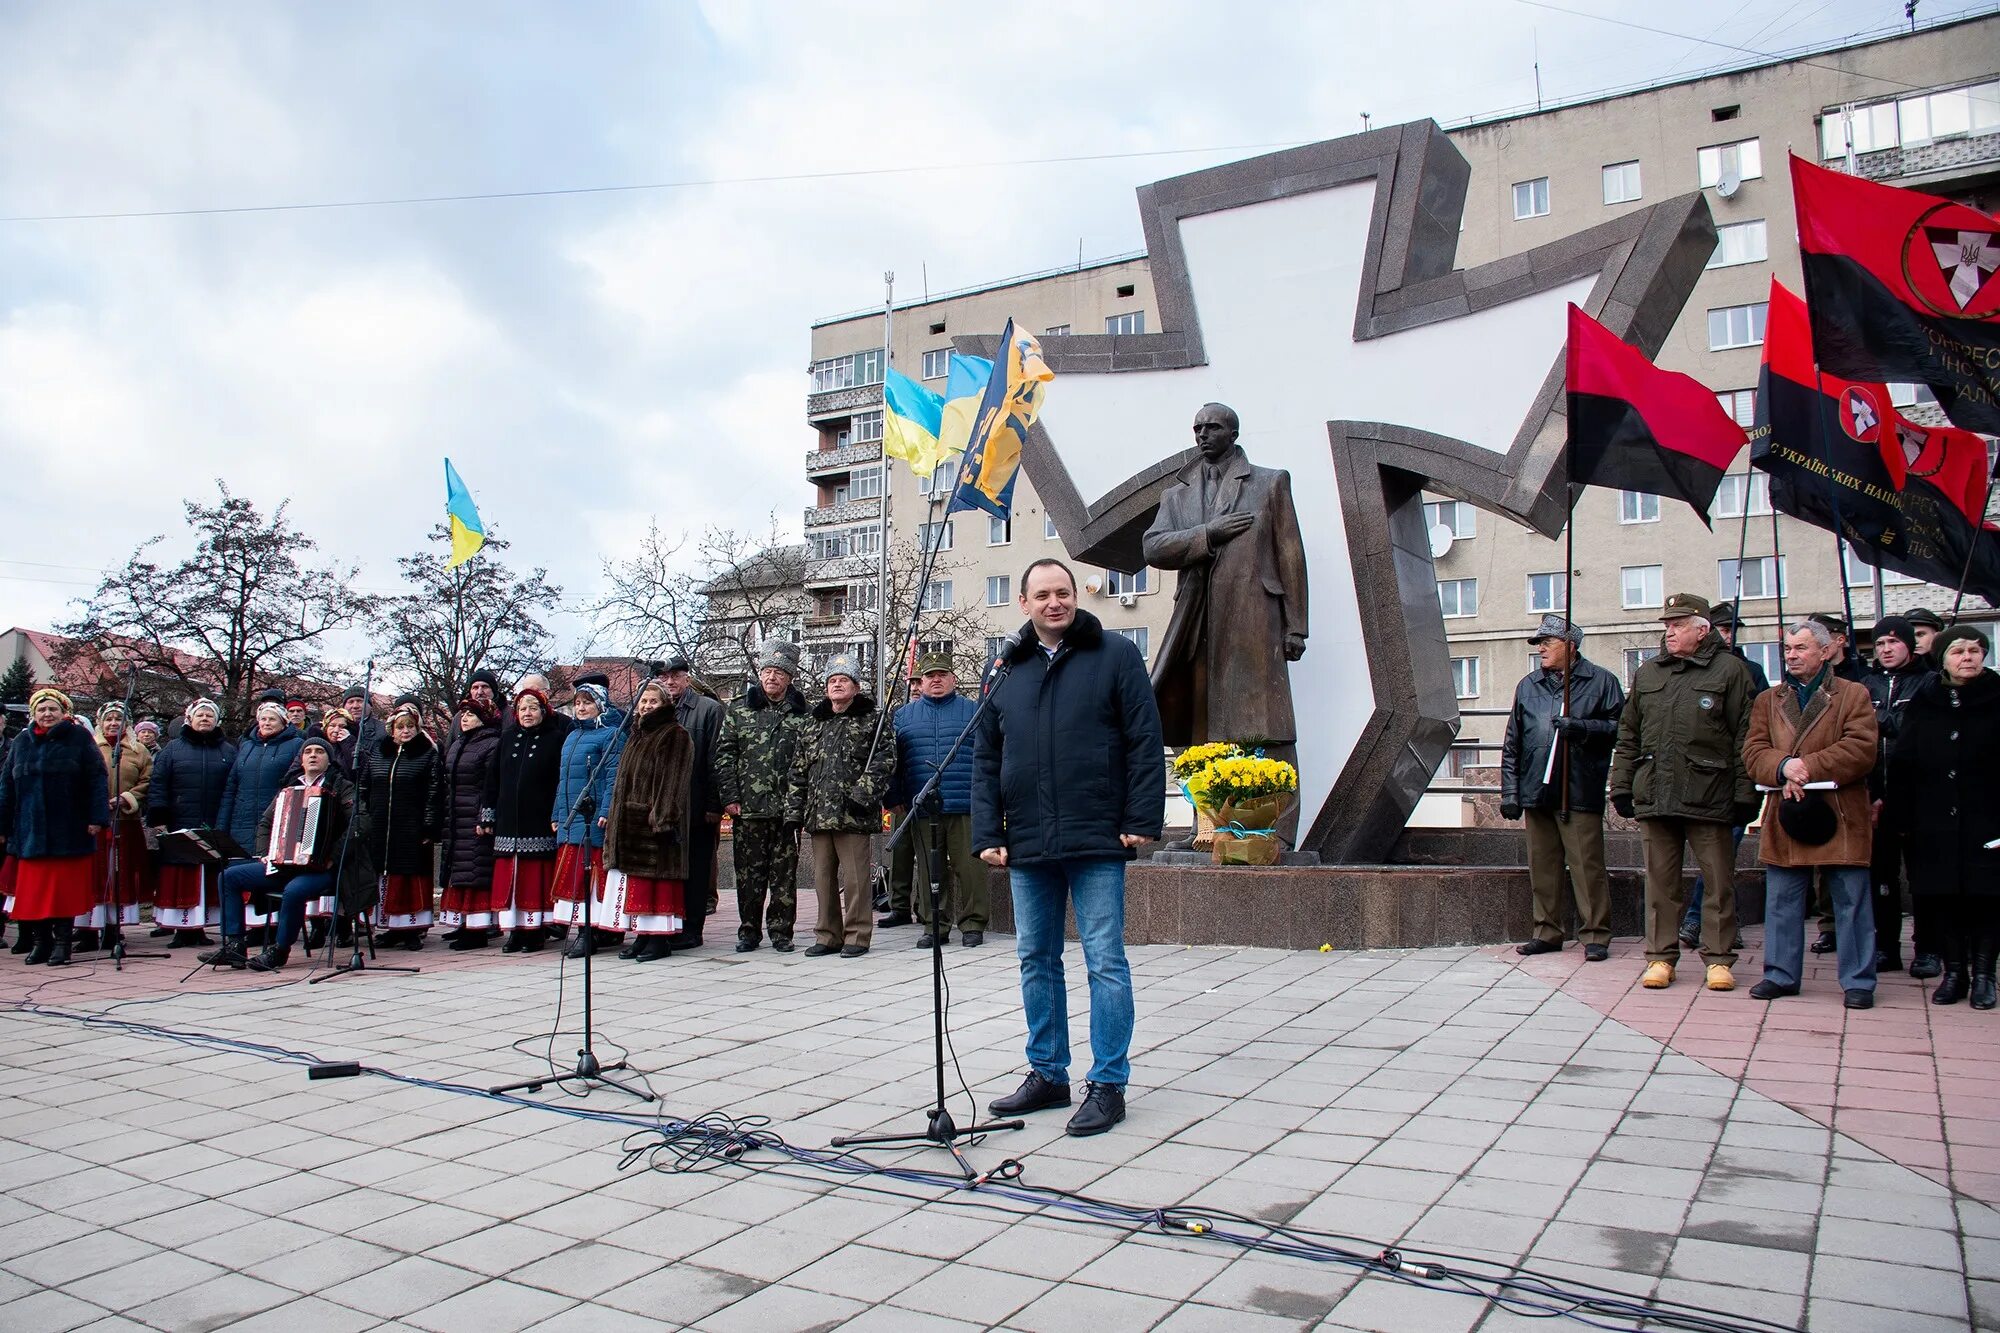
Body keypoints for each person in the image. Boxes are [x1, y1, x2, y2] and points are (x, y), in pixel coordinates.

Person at [975, 559, 1165, 1137]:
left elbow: (1143, 738)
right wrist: (988, 832)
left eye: (1062, 592)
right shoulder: (1005, 668)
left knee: (1105, 961)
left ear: (1076, 597)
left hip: (1097, 835)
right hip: (1027, 841)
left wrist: (1141, 818)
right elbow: (985, 756)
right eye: (1041, 595)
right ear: (1025, 604)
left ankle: (1108, 1082)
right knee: (1037, 959)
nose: (1053, 602)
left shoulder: (1115, 654)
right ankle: (1048, 1074)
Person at [1141, 402, 1308, 846]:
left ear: (1233, 432)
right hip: (1197, 622)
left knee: (1265, 724)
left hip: (1253, 620)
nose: (1202, 434)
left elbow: (1290, 554)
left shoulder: (1270, 483)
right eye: (1197, 428)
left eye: (1211, 427)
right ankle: (1207, 829)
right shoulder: (1178, 495)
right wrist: (1207, 534)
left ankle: (1275, 832)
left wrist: (1296, 626)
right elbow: (1154, 547)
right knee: (1199, 728)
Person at [1609, 594, 1757, 992]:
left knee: (1718, 880)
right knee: (1660, 883)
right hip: (1656, 792)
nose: (1669, 631)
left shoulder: (1730, 670)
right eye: (1667, 625)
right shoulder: (1649, 673)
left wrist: (1745, 792)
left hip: (1710, 793)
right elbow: (1629, 734)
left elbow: (1745, 735)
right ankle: (1660, 957)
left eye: (1677, 624)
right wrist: (1621, 785)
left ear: (1702, 629)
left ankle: (1719, 959)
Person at [1744, 620, 1881, 1009]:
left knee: (1850, 900)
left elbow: (1861, 748)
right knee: (1782, 899)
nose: (1792, 655)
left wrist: (1806, 766)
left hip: (1839, 811)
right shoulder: (1768, 700)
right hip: (1788, 809)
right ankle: (1780, 974)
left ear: (1824, 651)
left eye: (1801, 648)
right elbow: (1753, 752)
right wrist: (1783, 765)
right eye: (1788, 649)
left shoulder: (1852, 694)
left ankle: (1858, 980)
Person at [1886, 625, 2000, 1008]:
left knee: (1987, 898)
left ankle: (1984, 974)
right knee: (1944, 898)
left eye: (1975, 650)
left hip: (1987, 818)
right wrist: (1902, 817)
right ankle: (1954, 974)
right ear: (1943, 658)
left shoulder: (1996, 695)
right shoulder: (1927, 699)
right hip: (1934, 819)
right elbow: (1904, 761)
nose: (1967, 657)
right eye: (1958, 651)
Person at [1500, 615, 1624, 961]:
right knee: (1543, 866)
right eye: (1539, 643)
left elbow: (1621, 728)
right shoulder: (1529, 686)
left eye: (1547, 642)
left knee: (1587, 865)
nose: (1540, 648)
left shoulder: (1601, 682)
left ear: (1570, 646)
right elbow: (1513, 743)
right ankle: (1547, 931)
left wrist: (1583, 728)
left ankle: (1596, 934)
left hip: (1578, 788)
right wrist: (1510, 793)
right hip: (1536, 790)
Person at [205, 736, 360, 972]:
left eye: (320, 751)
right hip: (285, 864)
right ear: (301, 758)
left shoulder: (341, 787)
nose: (313, 755)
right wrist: (265, 853)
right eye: (308, 751)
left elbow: (359, 826)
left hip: (323, 868)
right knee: (229, 877)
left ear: (329, 759)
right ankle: (234, 945)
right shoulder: (289, 787)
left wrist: (333, 856)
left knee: (294, 890)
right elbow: (266, 823)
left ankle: (280, 949)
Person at [787, 654, 894, 958]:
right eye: (832, 681)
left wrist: (862, 797)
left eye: (843, 680)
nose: (837, 685)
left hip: (853, 813)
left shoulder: (873, 718)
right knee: (822, 878)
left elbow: (884, 761)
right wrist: (794, 811)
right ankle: (828, 935)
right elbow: (799, 770)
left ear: (856, 687)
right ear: (825, 689)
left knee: (855, 879)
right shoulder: (813, 723)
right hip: (819, 814)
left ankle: (857, 936)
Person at [1677, 602, 1765, 953]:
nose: (1726, 635)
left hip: (1732, 777)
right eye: (1721, 629)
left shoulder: (1750, 671)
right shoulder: (1690, 668)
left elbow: (1754, 727)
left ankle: (1711, 920)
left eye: (1731, 630)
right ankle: (1707, 918)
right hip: (1695, 776)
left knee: (1723, 855)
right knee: (1710, 857)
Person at [0, 689, 109, 966]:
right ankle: (41, 942)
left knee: (64, 893)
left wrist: (97, 818)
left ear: (64, 712)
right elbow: (6, 787)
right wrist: (2, 825)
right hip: (30, 831)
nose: (47, 714)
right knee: (35, 894)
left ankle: (62, 945)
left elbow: (97, 778)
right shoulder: (21, 742)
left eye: (53, 709)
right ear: (33, 714)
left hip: (69, 830)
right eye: (41, 709)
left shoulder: (79, 738)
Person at [887, 651, 987, 949]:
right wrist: (895, 796)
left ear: (953, 679)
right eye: (930, 676)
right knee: (930, 869)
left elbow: (987, 755)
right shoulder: (904, 715)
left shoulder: (973, 710)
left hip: (964, 803)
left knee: (970, 867)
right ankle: (935, 925)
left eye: (942, 674)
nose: (936, 680)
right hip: (921, 805)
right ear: (921, 681)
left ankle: (973, 924)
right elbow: (894, 761)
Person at [716, 641, 810, 953]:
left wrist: (800, 804)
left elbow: (809, 761)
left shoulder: (803, 714)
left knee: (784, 877)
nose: (772, 678)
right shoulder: (740, 709)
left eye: (779, 673)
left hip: (786, 811)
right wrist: (730, 796)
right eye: (767, 672)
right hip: (748, 809)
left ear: (789, 678)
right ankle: (748, 932)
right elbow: (724, 755)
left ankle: (781, 932)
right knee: (748, 876)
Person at [1862, 617, 1938, 976]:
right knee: (1881, 877)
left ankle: (1928, 949)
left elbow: (1914, 730)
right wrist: (1873, 794)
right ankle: (1886, 948)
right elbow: (1860, 741)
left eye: (1893, 642)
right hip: (1877, 798)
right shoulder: (1867, 684)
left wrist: (1879, 717)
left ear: (1910, 645)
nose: (1886, 650)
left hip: (1920, 797)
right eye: (1879, 644)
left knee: (1924, 877)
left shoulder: (1930, 682)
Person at [604, 679, 694, 962]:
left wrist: (663, 819)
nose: (646, 706)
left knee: (659, 883)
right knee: (640, 884)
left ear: (665, 705)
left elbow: (673, 781)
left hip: (658, 823)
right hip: (632, 821)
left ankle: (660, 939)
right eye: (643, 701)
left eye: (653, 701)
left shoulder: (674, 734)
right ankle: (642, 936)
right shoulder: (635, 735)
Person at [144, 698, 237, 947]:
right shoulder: (172, 749)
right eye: (200, 715)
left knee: (208, 875)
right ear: (189, 719)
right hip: (178, 821)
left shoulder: (228, 751)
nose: (205, 719)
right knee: (181, 875)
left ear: (217, 721)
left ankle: (200, 929)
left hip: (214, 822)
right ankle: (181, 930)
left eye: (209, 715)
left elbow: (233, 787)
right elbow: (158, 784)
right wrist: (159, 818)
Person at [482, 687, 564, 952]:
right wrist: (488, 814)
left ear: (543, 710)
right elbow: (492, 779)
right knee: (511, 879)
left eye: (532, 708)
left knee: (533, 879)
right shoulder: (506, 738)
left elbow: (559, 781)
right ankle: (514, 932)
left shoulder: (555, 738)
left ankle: (535, 932)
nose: (527, 713)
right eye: (522, 708)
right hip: (508, 821)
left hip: (538, 820)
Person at [360, 703, 443, 950]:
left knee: (409, 878)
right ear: (391, 730)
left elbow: (434, 792)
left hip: (411, 827)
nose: (405, 731)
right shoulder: (378, 752)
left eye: (410, 726)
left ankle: (411, 930)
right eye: (400, 727)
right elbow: (365, 786)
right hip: (380, 825)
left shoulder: (427, 753)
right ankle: (390, 928)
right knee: (385, 877)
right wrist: (363, 818)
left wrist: (429, 826)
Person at [551, 682, 623, 958]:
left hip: (593, 816)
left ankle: (590, 932)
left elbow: (613, 778)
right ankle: (582, 928)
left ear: (600, 706)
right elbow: (563, 780)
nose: (581, 708)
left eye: (587, 703)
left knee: (592, 880)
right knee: (574, 878)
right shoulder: (571, 738)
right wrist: (558, 813)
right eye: (578, 703)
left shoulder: (611, 735)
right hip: (572, 817)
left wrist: (606, 810)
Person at [661, 658, 724, 950]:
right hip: (664, 807)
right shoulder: (659, 709)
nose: (670, 682)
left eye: (675, 676)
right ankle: (667, 924)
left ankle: (692, 929)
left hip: (696, 804)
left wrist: (714, 804)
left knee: (696, 870)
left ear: (687, 678)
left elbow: (716, 759)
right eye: (665, 677)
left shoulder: (707, 709)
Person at [84, 701, 153, 951]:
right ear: (100, 722)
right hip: (94, 821)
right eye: (109, 718)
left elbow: (147, 781)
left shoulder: (138, 751)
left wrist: (126, 798)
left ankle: (114, 929)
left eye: (119, 718)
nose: (114, 723)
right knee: (94, 874)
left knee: (119, 875)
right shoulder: (90, 746)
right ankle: (88, 930)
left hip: (125, 820)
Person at [440, 697, 501, 950]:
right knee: (461, 871)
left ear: (484, 717)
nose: (464, 718)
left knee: (477, 872)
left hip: (476, 817)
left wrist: (485, 815)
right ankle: (462, 924)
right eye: (462, 714)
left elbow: (491, 784)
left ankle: (477, 930)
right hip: (456, 816)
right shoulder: (457, 744)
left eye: (471, 714)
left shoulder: (492, 743)